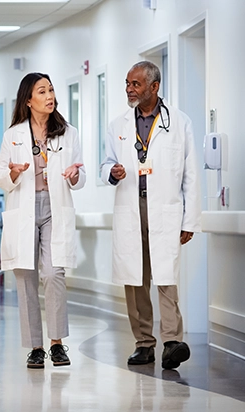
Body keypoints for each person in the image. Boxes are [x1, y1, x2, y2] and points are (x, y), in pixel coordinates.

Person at [100, 61, 201, 369]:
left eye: (136, 84)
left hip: (165, 209)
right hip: (132, 206)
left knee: (166, 275)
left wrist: (190, 220)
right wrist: (112, 173)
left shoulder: (179, 123)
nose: (130, 89)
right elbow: (105, 164)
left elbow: (191, 175)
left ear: (154, 87)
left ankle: (172, 341)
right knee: (136, 277)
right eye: (128, 83)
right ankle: (144, 343)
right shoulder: (118, 125)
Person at [0, 72, 85, 368]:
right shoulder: (14, 135)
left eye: (51, 90)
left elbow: (79, 174)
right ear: (29, 100)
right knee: (26, 277)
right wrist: (14, 173)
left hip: (54, 207)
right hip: (24, 207)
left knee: (53, 273)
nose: (50, 96)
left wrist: (75, 175)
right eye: (42, 91)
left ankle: (57, 343)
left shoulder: (67, 131)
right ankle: (35, 346)